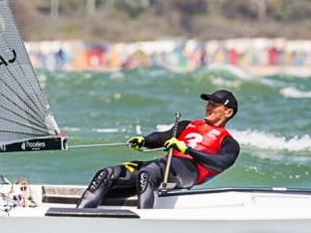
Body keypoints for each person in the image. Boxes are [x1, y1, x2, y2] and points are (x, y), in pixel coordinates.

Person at [77, 89, 241, 209]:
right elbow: (162, 137)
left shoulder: (228, 142)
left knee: (147, 174)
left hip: (188, 171)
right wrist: (144, 140)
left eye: (214, 105)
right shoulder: (187, 125)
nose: (208, 107)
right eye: (208, 103)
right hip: (163, 165)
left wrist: (187, 150)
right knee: (107, 174)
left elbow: (221, 163)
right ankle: (80, 216)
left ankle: (145, 224)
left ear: (228, 112)